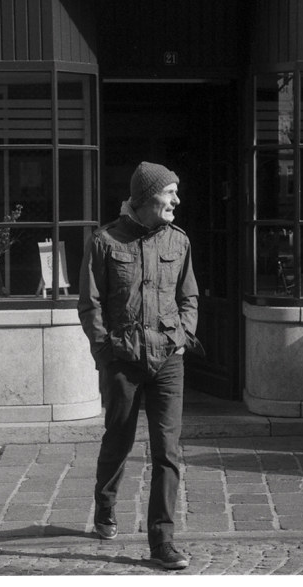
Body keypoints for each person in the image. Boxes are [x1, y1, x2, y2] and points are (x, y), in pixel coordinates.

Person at [77, 161, 203, 570]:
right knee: (118, 440)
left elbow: (189, 297)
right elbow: (90, 303)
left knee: (168, 451)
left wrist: (182, 338)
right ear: (148, 197)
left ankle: (162, 541)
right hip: (123, 358)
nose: (176, 201)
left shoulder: (179, 241)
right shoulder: (105, 241)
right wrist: (105, 351)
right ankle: (105, 504)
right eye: (170, 192)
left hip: (167, 359)